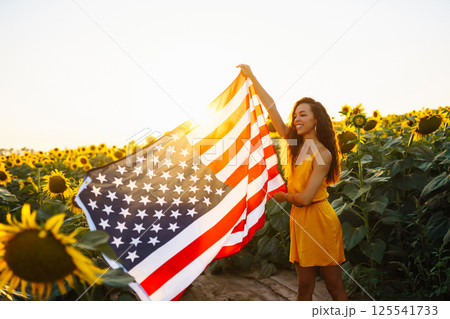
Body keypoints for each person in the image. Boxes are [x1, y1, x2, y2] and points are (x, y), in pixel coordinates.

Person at [236, 64, 348, 301]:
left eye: (303, 114)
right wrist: (253, 77)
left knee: (333, 286)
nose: (297, 119)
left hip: (320, 219)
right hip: (300, 220)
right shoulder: (295, 145)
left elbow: (306, 198)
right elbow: (271, 108)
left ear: (316, 119)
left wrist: (283, 197)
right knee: (304, 287)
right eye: (295, 115)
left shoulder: (323, 153)